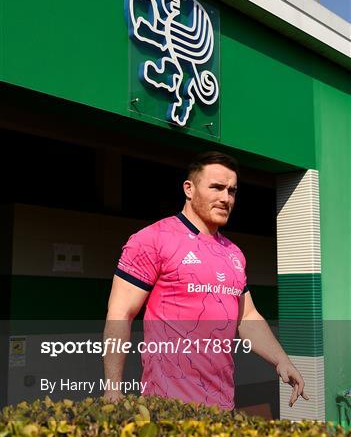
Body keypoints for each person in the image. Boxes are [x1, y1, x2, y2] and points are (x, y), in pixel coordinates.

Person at [104, 151, 309, 410]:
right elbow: (120, 313)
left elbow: (246, 317)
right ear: (189, 189)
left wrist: (281, 359)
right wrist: (113, 389)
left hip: (221, 405)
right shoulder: (152, 239)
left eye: (232, 191)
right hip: (167, 406)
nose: (226, 198)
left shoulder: (233, 253)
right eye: (217, 187)